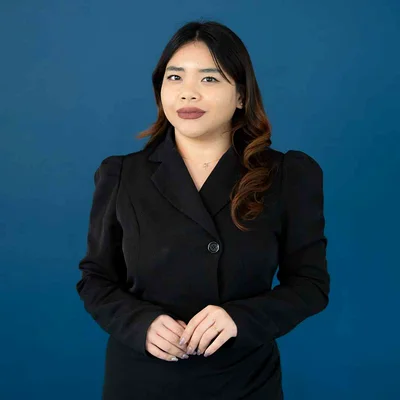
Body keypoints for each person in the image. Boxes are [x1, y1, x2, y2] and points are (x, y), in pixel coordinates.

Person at [76, 20, 330, 400]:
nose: (187, 93)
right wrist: (140, 323)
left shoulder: (287, 174)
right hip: (142, 381)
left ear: (241, 95)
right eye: (175, 77)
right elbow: (95, 278)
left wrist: (240, 319)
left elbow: (311, 284)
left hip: (243, 381)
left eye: (209, 79)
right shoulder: (121, 174)